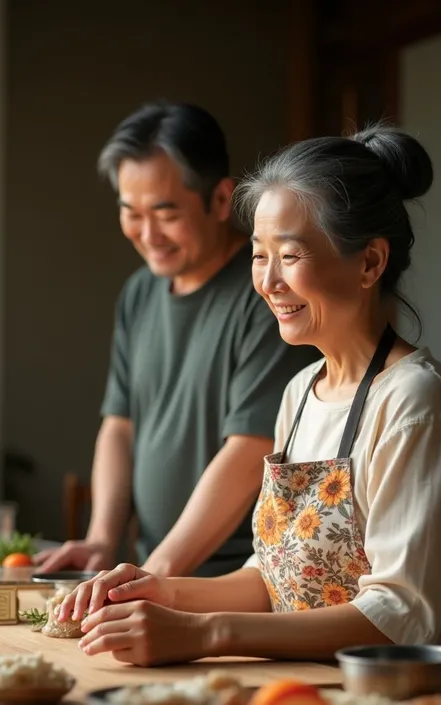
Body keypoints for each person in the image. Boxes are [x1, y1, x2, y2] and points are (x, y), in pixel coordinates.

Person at [59, 126, 441, 681]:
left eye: (290, 255)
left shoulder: (419, 400)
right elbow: (272, 579)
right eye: (259, 256)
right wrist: (154, 588)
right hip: (292, 688)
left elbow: (401, 617)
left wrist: (206, 633)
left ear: (371, 262)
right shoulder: (301, 392)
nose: (269, 281)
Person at [35, 101, 318, 578]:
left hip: (236, 580)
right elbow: (120, 426)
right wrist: (103, 541)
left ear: (222, 200)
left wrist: (158, 573)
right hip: (152, 568)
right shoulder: (139, 292)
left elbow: (251, 450)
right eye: (131, 213)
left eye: (166, 214)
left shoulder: (268, 295)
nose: (148, 235)